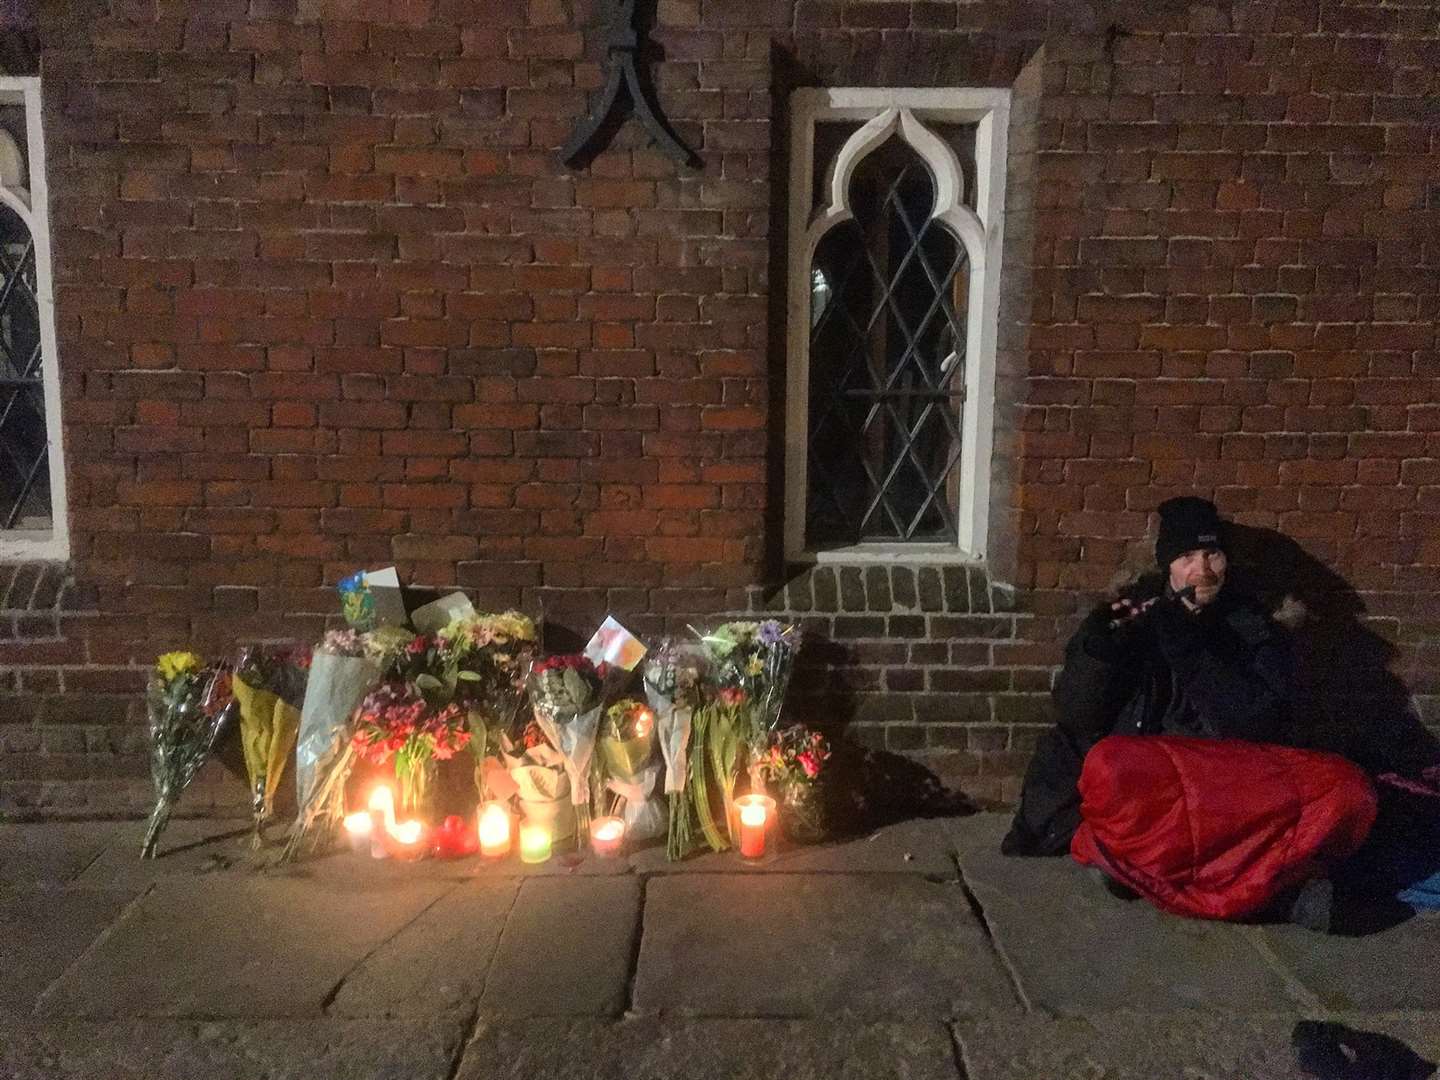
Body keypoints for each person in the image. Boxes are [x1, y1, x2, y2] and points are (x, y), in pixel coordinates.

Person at [1002, 497, 1376, 930]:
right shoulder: (1136, 616)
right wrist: (1097, 653)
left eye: (1211, 554)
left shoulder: (1251, 627)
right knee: (1109, 768)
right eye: (1186, 557)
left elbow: (1260, 726)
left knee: (1347, 787)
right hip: (1156, 787)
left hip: (1222, 790)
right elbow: (1078, 718)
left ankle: (1140, 868)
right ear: (1168, 568)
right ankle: (1275, 898)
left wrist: (1192, 650)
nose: (1203, 571)